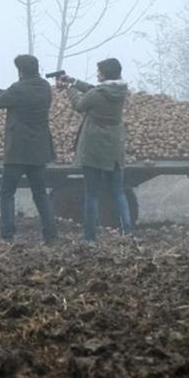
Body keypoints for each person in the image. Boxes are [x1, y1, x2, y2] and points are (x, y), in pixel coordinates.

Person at [0, 54, 57, 243]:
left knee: (7, 193)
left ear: (20, 71)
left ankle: (8, 235)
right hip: (39, 150)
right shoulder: (44, 87)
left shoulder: (18, 89)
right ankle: (51, 236)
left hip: (18, 151)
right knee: (40, 194)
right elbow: (14, 95)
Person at [57, 58, 133, 241]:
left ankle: (90, 236)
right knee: (118, 192)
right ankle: (128, 232)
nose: (97, 74)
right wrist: (74, 81)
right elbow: (94, 90)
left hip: (94, 149)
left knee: (92, 194)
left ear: (105, 74)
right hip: (114, 149)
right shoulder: (120, 91)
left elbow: (79, 106)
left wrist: (69, 89)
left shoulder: (97, 94)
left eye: (99, 71)